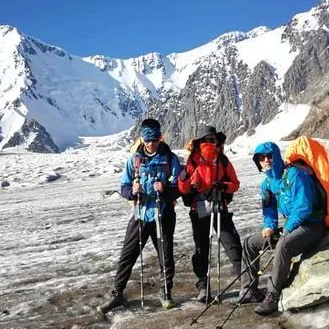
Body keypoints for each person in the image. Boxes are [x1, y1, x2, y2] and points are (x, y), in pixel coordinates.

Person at [98, 118, 182, 314]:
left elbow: (180, 187)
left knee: (166, 256)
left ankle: (166, 292)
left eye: (155, 139)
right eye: (148, 140)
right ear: (142, 139)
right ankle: (117, 294)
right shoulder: (134, 160)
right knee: (127, 256)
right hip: (140, 215)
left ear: (160, 137)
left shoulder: (170, 159)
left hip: (163, 214)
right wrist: (132, 191)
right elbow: (124, 186)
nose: (151, 144)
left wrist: (165, 190)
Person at [242, 141, 327, 316]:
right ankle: (250, 290)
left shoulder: (295, 174)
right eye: (261, 158)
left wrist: (287, 229)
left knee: (283, 244)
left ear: (276, 157)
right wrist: (269, 227)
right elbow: (269, 211)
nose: (266, 160)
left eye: (269, 156)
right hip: (293, 226)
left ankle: (272, 295)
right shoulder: (267, 184)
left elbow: (303, 208)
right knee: (250, 243)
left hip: (312, 225)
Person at [178, 126, 252, 303]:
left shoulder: (222, 160)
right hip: (199, 210)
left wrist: (222, 186)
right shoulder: (193, 161)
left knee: (232, 246)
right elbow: (183, 188)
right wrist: (187, 180)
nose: (211, 143)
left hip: (219, 208)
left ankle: (247, 285)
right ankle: (204, 287)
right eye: (207, 140)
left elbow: (235, 184)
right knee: (201, 250)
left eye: (213, 140)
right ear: (200, 142)